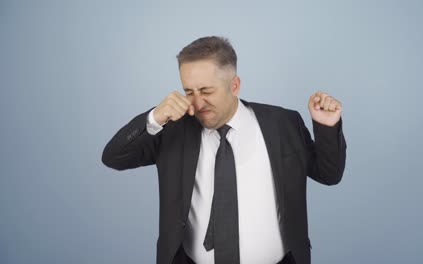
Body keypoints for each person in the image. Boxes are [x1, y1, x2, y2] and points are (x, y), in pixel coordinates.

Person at [102, 36, 346, 264]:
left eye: (207, 91)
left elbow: (329, 174)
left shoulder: (283, 124)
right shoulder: (173, 130)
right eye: (189, 91)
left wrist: (326, 126)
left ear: (235, 85)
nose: (197, 103)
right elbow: (114, 157)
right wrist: (155, 117)